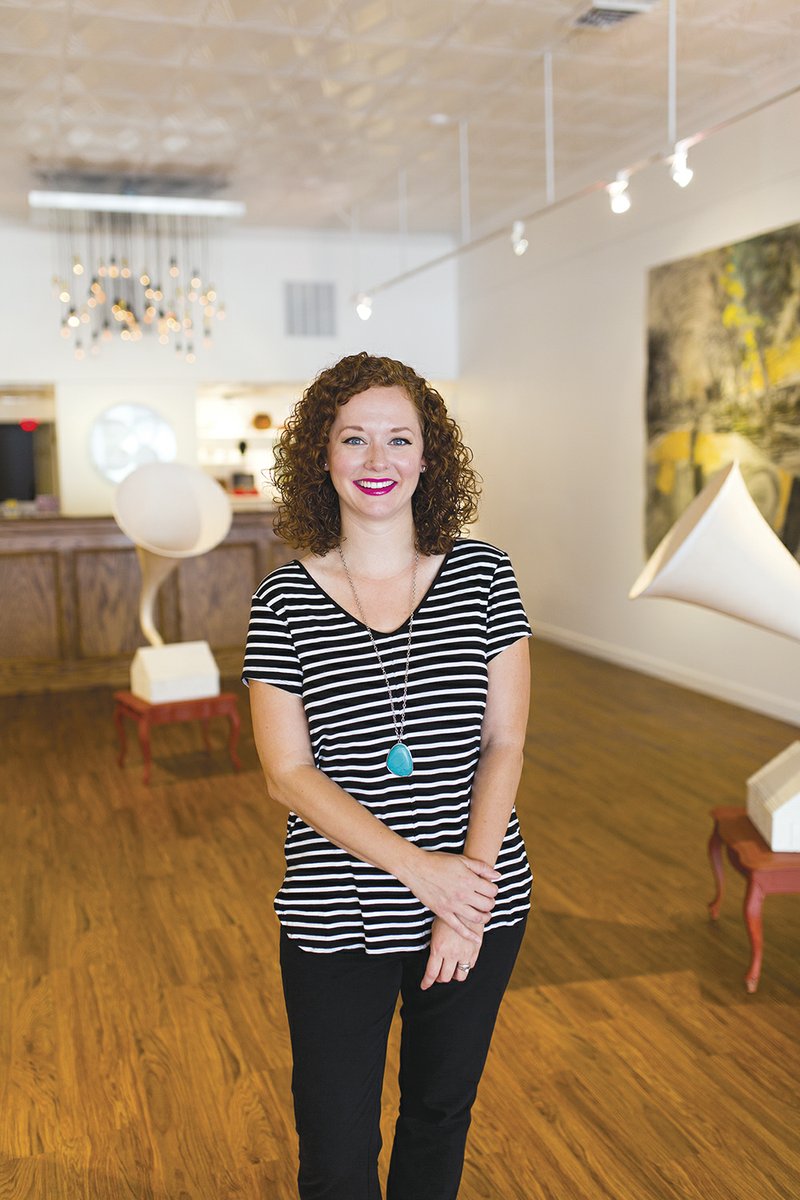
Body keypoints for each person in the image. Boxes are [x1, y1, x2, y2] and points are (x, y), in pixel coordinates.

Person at [242, 351, 532, 1200]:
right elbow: (286, 773)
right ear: (321, 457)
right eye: (355, 439)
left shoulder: (483, 575)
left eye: (399, 440)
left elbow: (505, 742)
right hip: (336, 908)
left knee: (439, 1117)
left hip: (480, 901)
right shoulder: (283, 600)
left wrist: (464, 899)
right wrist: (423, 874)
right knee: (334, 1149)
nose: (378, 461)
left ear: (428, 457)